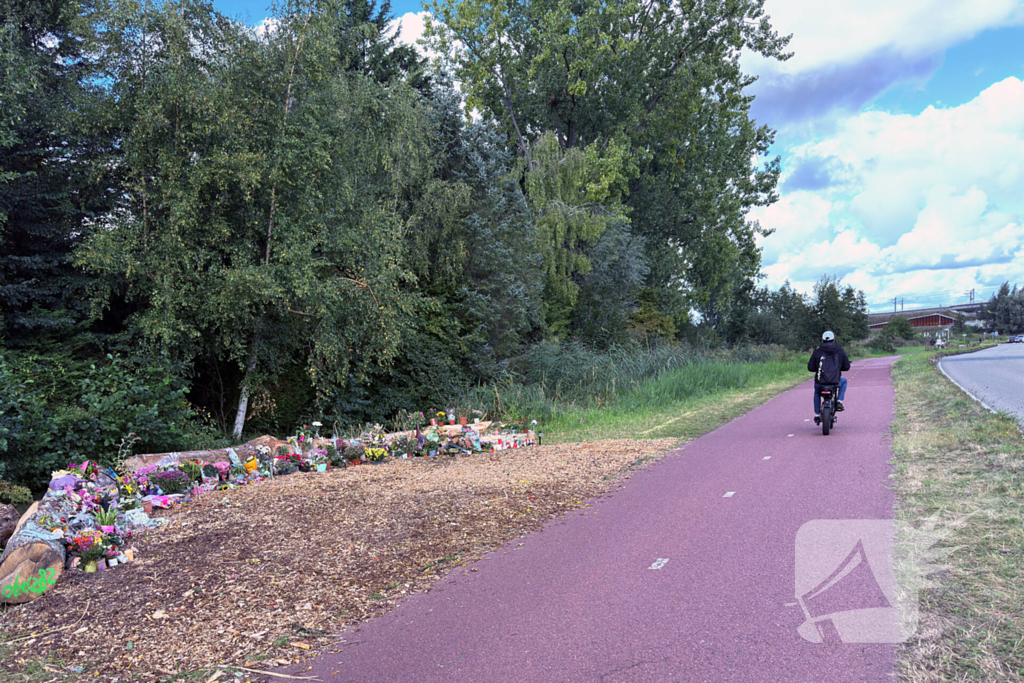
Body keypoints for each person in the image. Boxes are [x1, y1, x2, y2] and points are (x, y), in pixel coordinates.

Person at [807, 330, 850, 422]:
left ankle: (817, 414)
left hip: (820, 381)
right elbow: (846, 367)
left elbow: (810, 367)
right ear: (834, 340)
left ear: (822, 340)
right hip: (835, 381)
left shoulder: (817, 352)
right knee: (844, 381)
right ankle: (839, 401)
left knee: (817, 393)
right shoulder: (840, 351)